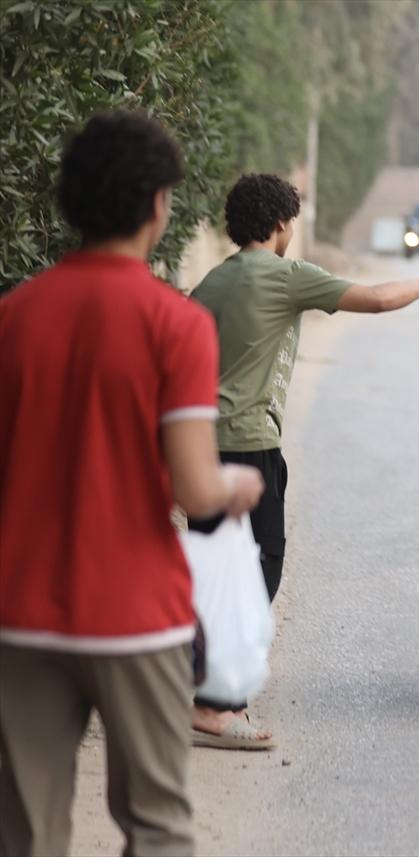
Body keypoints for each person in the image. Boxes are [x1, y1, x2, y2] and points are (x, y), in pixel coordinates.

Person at [0, 110, 265, 857]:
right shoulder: (172, 323)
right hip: (134, 616)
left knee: (23, 831)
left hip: (20, 612)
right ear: (157, 205)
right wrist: (237, 486)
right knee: (155, 826)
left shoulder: (13, 316)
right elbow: (194, 486)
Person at [188, 173, 419, 750]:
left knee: (215, 573)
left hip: (201, 445)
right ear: (283, 225)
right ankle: (215, 706)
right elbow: (378, 298)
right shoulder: (285, 275)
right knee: (258, 572)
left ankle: (200, 688)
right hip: (250, 445)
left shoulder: (213, 281)